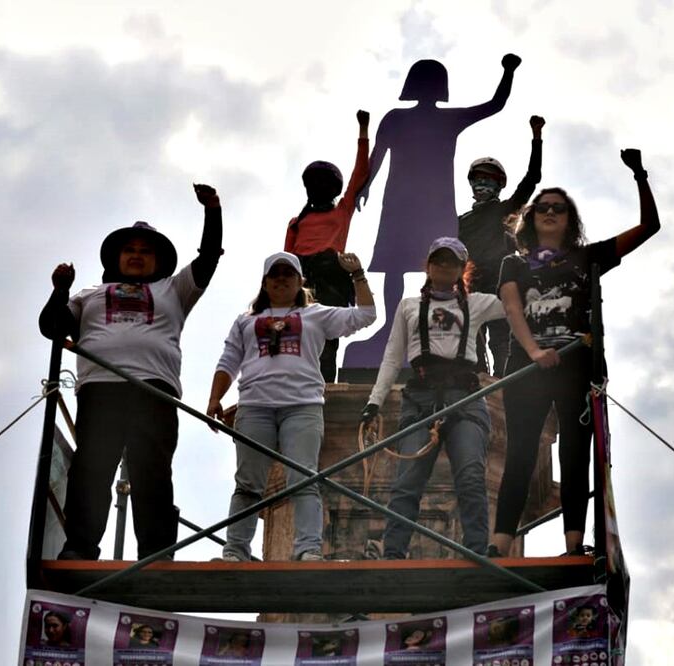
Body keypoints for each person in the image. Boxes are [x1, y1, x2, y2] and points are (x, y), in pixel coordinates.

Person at [489, 150, 660, 558]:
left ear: (569, 219)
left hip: (576, 363)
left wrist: (639, 176)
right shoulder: (513, 264)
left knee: (575, 451)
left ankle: (572, 542)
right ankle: (500, 542)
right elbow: (512, 308)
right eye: (542, 207)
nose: (550, 212)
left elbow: (650, 227)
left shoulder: (587, 257)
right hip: (527, 365)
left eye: (559, 208)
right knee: (521, 452)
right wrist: (534, 351)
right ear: (530, 219)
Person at [38, 184, 223, 560]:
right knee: (92, 467)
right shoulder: (89, 294)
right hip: (100, 387)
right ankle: (80, 547)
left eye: (145, 252)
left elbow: (207, 260)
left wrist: (213, 211)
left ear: (158, 261)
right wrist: (60, 290)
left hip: (152, 387)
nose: (137, 256)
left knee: (151, 469)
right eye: (130, 250)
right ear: (117, 257)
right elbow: (53, 327)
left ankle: (156, 551)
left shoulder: (175, 290)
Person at [344, 54, 521, 369]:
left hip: (431, 204)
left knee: (436, 264)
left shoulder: (434, 119)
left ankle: (432, 321)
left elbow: (495, 104)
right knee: (394, 265)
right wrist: (365, 185)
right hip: (402, 201)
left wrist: (508, 71)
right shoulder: (396, 118)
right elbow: (378, 154)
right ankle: (392, 328)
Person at [208, 251, 376, 561]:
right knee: (248, 483)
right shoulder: (246, 321)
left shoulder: (317, 314)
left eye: (288, 273)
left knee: (304, 478)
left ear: (301, 281)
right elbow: (229, 361)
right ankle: (235, 551)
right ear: (265, 282)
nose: (282, 278)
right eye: (275, 274)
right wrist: (214, 398)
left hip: (302, 405)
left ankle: (308, 550)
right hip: (255, 406)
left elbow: (366, 314)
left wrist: (358, 275)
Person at [361, 238, 505, 558]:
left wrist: (520, 267)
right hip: (421, 397)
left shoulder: (479, 303)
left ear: (461, 268)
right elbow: (391, 357)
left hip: (464, 397)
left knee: (469, 475)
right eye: (438, 260)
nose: (444, 266)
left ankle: (476, 551)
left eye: (452, 261)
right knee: (407, 481)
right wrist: (374, 402)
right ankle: (393, 554)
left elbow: (516, 303)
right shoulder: (410, 306)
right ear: (428, 265)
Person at [284, 110, 371, 383]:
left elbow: (360, 174)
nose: (319, 188)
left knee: (327, 340)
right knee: (292, 336)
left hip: (332, 275)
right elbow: (284, 260)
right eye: (315, 184)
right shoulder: (297, 222)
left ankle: (323, 389)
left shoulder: (341, 211)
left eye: (325, 184)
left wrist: (363, 131)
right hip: (301, 278)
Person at [458, 115, 545, 376]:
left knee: (501, 336)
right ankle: (476, 379)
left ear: (498, 186)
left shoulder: (505, 211)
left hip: (499, 279)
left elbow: (531, 180)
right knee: (470, 335)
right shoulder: (459, 221)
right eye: (478, 180)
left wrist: (537, 137)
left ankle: (504, 382)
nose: (482, 185)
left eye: (489, 180)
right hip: (469, 281)